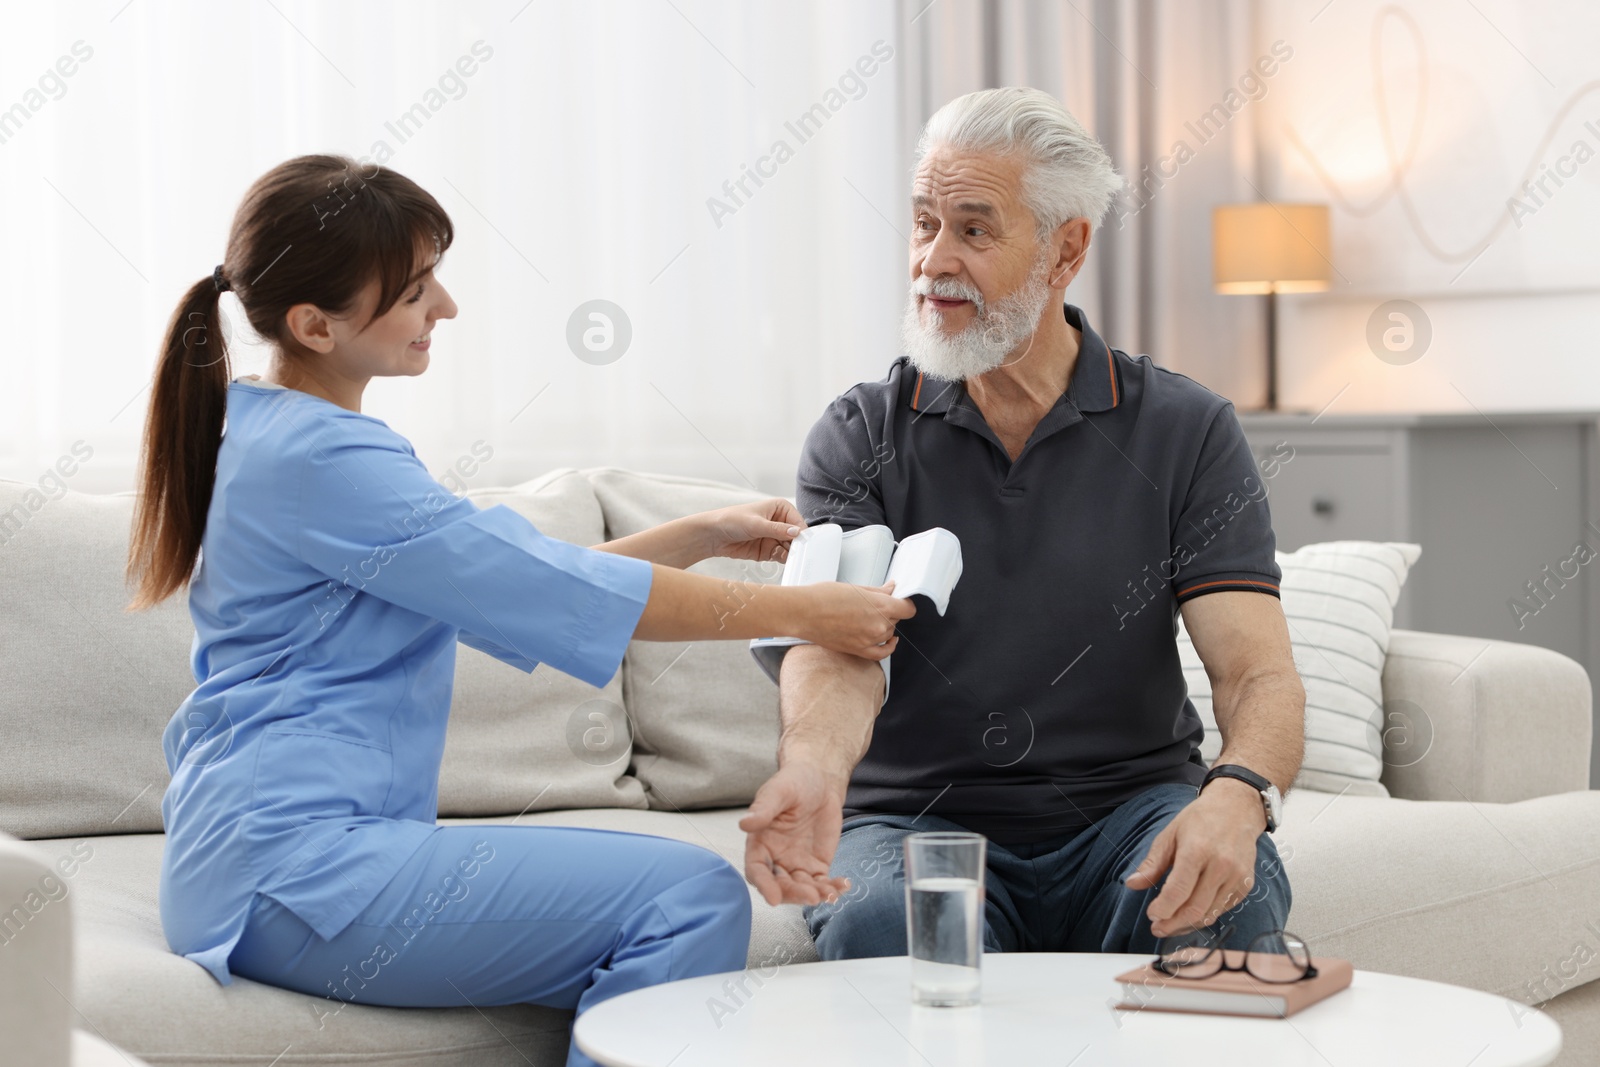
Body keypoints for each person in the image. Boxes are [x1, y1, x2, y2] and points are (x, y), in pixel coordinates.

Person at [126, 154, 913, 1067]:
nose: (446, 308)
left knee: (663, 900)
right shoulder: (325, 462)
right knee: (687, 896)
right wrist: (811, 611)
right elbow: (545, 589)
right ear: (315, 324)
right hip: (293, 876)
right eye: (416, 290)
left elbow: (508, 574)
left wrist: (694, 532)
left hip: (262, 862)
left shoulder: (272, 432)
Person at [738, 87, 1306, 957]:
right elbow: (837, 653)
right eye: (924, 223)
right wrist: (812, 764)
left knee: (1225, 900)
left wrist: (1240, 794)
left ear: (1064, 248)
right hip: (913, 820)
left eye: (973, 229)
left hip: (1130, 814)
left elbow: (1256, 671)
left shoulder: (1185, 430)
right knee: (885, 927)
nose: (933, 259)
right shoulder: (861, 433)